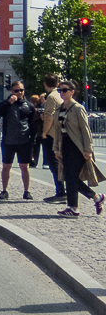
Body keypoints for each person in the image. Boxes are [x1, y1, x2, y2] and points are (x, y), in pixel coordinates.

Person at [53, 80, 106, 218]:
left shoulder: (77, 108)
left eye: (65, 90)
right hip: (64, 145)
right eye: (60, 90)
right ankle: (93, 198)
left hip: (77, 146)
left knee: (71, 177)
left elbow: (85, 129)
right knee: (70, 177)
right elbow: (57, 130)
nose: (62, 93)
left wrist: (88, 149)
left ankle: (75, 207)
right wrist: (56, 149)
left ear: (72, 91)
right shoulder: (59, 108)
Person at [0, 80, 35, 200]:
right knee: (6, 166)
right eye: (16, 90)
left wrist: (32, 141)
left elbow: (32, 124)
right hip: (9, 140)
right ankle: (4, 190)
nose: (19, 93)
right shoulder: (6, 103)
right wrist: (8, 103)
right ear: (12, 91)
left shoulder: (29, 105)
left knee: (24, 166)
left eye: (21, 90)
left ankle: (27, 191)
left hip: (24, 140)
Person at [40, 74, 66, 203]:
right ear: (57, 83)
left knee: (54, 164)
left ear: (45, 84)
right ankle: (62, 191)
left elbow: (49, 117)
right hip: (60, 133)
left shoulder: (51, 97)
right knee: (58, 164)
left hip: (52, 134)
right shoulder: (59, 95)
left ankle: (61, 191)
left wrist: (44, 133)